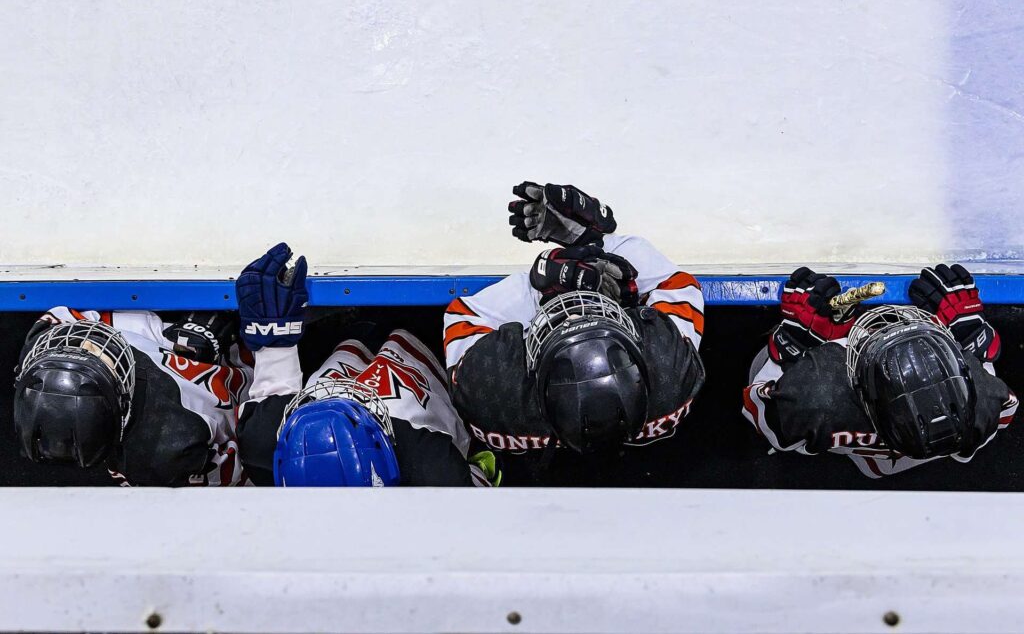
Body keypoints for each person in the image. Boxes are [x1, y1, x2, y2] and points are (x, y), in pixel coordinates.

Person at [443, 182, 705, 472]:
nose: (577, 309)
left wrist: (541, 291)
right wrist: (597, 244)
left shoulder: (496, 392)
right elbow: (676, 284)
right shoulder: (667, 369)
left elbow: (463, 315)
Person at [234, 243, 496, 487]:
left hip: (343, 339)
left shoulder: (263, 444)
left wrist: (274, 336)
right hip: (434, 345)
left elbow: (274, 394)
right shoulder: (436, 470)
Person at [742, 265, 1017, 478]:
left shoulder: (819, 399)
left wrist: (796, 344)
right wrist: (970, 336)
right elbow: (999, 413)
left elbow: (763, 415)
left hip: (834, 423)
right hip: (928, 445)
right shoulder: (981, 404)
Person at [13, 307, 251, 485]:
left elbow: (73, 318)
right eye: (91, 353)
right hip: (255, 383)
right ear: (122, 404)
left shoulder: (44, 345)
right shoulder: (164, 458)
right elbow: (256, 462)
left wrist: (175, 332)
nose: (87, 345)